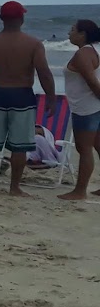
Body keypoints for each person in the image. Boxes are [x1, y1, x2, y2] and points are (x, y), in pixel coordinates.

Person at [0, 1, 56, 197]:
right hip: (21, 96)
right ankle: (14, 187)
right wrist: (51, 98)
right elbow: (44, 73)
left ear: (2, 19)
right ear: (22, 19)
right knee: (20, 146)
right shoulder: (33, 44)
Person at [58, 18, 100, 201]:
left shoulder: (83, 54)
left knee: (84, 148)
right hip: (92, 105)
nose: (69, 33)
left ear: (82, 34)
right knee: (97, 146)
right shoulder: (96, 49)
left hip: (86, 107)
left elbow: (92, 81)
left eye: (73, 29)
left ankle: (80, 191)